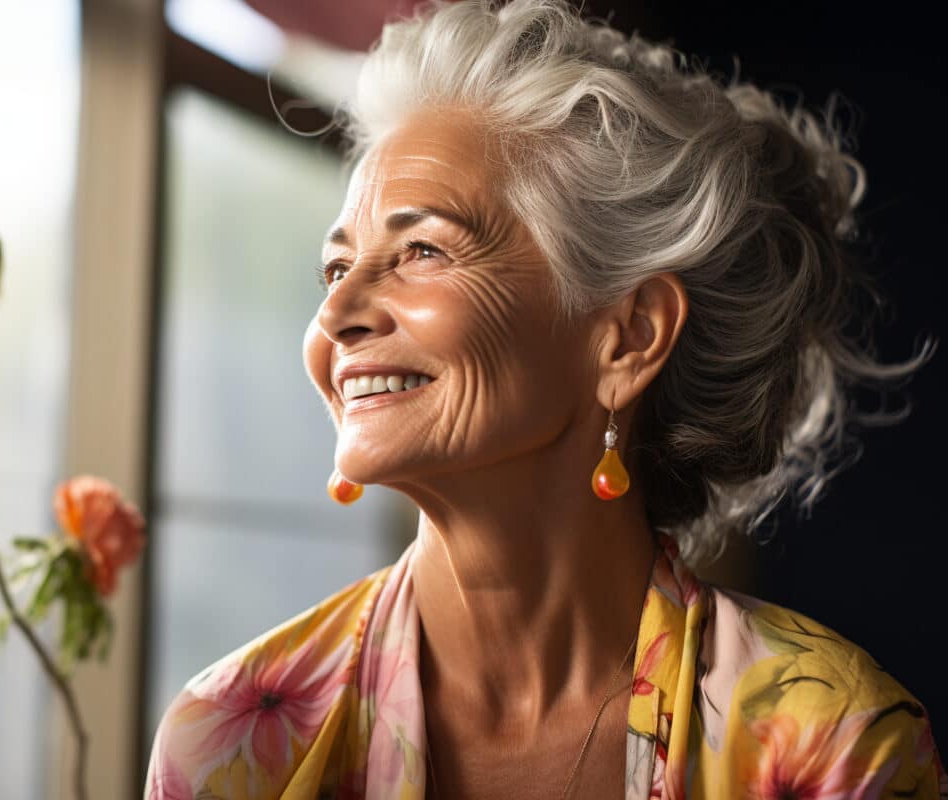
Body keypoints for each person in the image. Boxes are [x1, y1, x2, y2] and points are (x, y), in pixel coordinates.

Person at [144, 1, 946, 797]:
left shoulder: (831, 747)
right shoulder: (231, 744)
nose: (335, 316)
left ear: (628, 337)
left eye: (424, 248)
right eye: (336, 267)